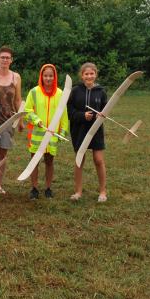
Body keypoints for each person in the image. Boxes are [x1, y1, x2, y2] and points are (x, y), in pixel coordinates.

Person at [23, 64, 69, 200]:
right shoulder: (33, 92)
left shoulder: (61, 93)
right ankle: (34, 188)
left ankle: (48, 188)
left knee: (49, 161)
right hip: (37, 133)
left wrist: (63, 131)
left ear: (54, 77)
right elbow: (27, 111)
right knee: (34, 161)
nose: (48, 78)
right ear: (41, 77)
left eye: (51, 76)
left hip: (52, 135)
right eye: (45, 76)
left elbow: (64, 114)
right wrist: (37, 120)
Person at [67, 63, 109, 202]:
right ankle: (78, 192)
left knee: (98, 160)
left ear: (95, 74)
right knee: (79, 160)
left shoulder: (101, 91)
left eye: (92, 74)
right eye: (86, 74)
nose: (89, 76)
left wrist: (101, 116)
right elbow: (70, 112)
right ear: (82, 75)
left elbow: (105, 110)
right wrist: (82, 116)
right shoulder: (75, 91)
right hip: (79, 130)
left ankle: (103, 192)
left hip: (96, 131)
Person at [0, 46, 23, 194]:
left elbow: (18, 99)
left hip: (8, 121)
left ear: (11, 60)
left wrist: (20, 120)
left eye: (7, 58)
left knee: (3, 154)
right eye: (2, 57)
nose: (5, 60)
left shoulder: (16, 77)